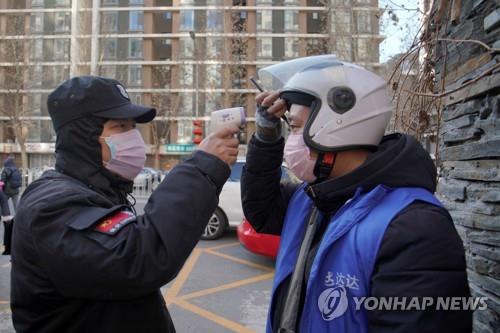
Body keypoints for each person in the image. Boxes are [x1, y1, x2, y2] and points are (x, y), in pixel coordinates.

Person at [241, 55, 472, 332]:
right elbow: (260, 210)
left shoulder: (415, 228)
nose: (291, 139)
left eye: (295, 127)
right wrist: (266, 135)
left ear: (335, 126)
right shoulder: (313, 199)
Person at [11, 76, 240, 332]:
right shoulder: (51, 204)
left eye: (133, 127)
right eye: (120, 127)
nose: (132, 137)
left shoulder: (99, 190)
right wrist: (201, 167)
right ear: (83, 137)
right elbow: (140, 258)